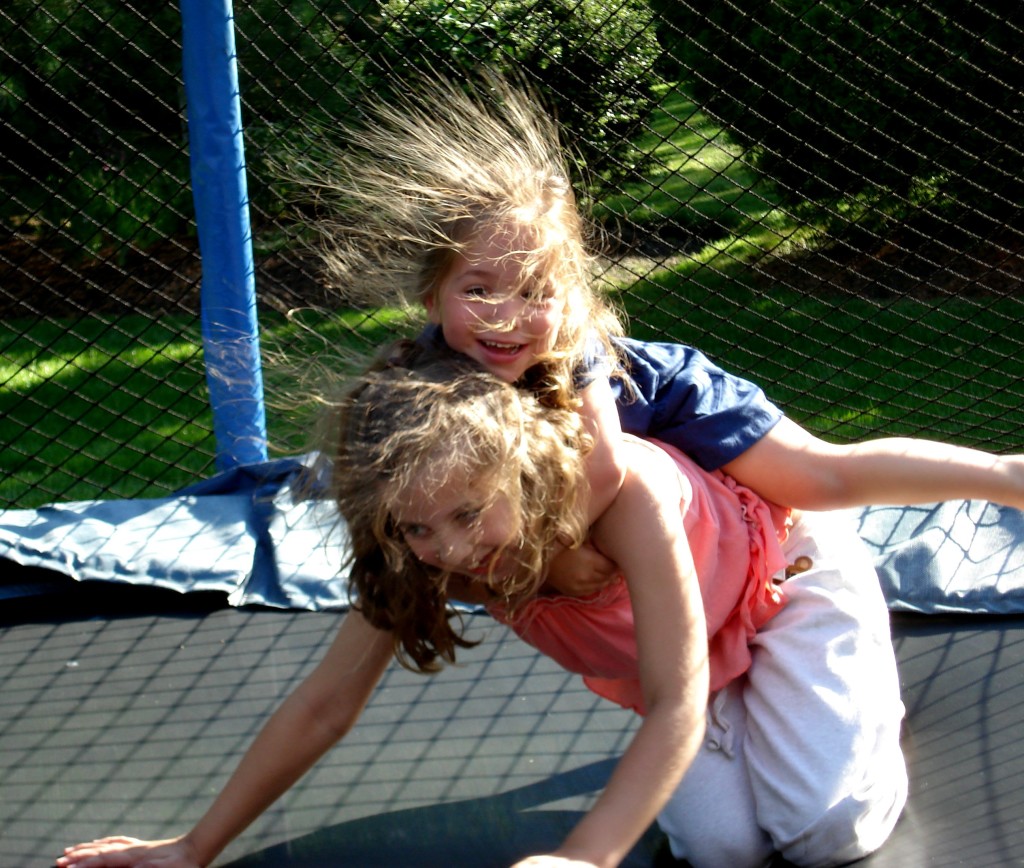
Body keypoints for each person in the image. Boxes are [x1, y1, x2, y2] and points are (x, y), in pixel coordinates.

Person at [58, 344, 907, 867]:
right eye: (418, 528)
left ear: (519, 477)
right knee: (723, 853)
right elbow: (323, 707)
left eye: (469, 514)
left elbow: (674, 703)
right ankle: (772, 709)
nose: (455, 550)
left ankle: (859, 678)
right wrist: (192, 848)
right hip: (697, 653)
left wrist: (584, 856)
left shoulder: (627, 499)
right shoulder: (422, 557)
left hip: (781, 580)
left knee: (825, 830)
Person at [296, 75, 1024, 592]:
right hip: (652, 474)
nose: (507, 317)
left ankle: (1004, 478)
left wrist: (550, 557)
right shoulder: (428, 371)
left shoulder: (571, 345)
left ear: (572, 298)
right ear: (433, 297)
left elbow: (605, 468)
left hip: (673, 403)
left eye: (535, 293)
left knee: (820, 479)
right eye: (478, 290)